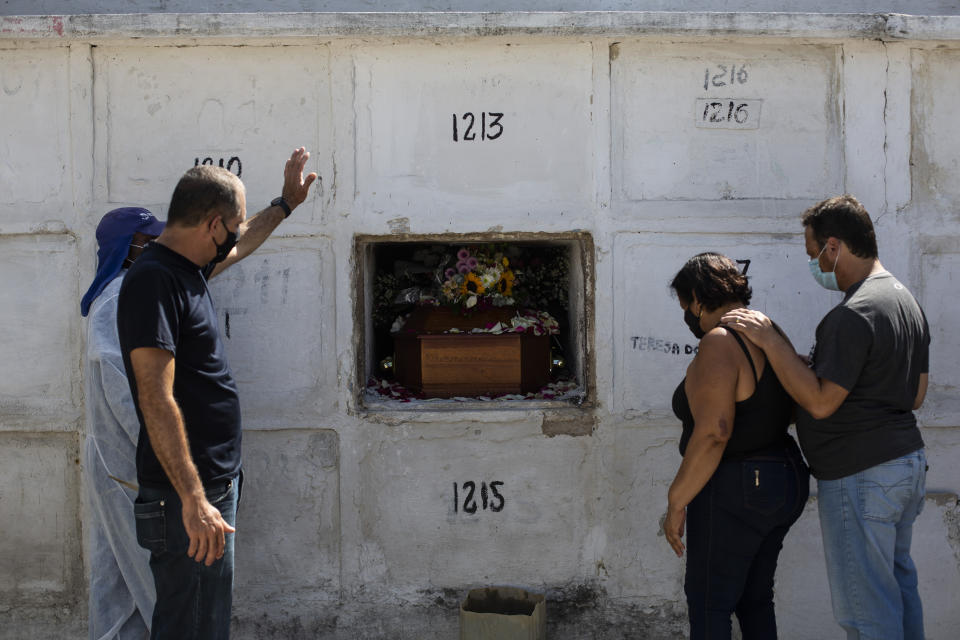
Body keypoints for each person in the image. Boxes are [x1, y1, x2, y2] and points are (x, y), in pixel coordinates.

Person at [117, 148, 317, 640]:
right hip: (188, 499)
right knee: (190, 627)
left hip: (210, 488)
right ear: (211, 224)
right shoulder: (154, 282)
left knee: (205, 621)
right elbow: (155, 397)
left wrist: (285, 205)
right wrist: (193, 498)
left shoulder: (187, 268)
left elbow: (241, 243)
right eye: (230, 225)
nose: (232, 236)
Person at [722, 194, 930, 640]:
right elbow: (915, 394)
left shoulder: (853, 313)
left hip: (862, 475)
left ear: (834, 247)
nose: (814, 264)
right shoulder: (902, 298)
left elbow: (819, 403)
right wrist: (811, 368)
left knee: (867, 613)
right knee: (897, 594)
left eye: (814, 254)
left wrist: (771, 343)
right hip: (903, 466)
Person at [663, 252, 810, 640]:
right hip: (785, 475)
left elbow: (714, 432)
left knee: (710, 601)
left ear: (696, 298)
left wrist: (677, 500)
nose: (687, 314)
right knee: (754, 599)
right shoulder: (768, 332)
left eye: (684, 304)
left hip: (738, 485)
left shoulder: (719, 342)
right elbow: (790, 404)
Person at [82, 207, 165, 640]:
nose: (153, 248)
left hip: (122, 462)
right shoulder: (117, 296)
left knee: (120, 577)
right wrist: (159, 450)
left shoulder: (126, 290)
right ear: (127, 246)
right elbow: (119, 382)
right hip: (127, 464)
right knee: (148, 579)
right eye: (147, 241)